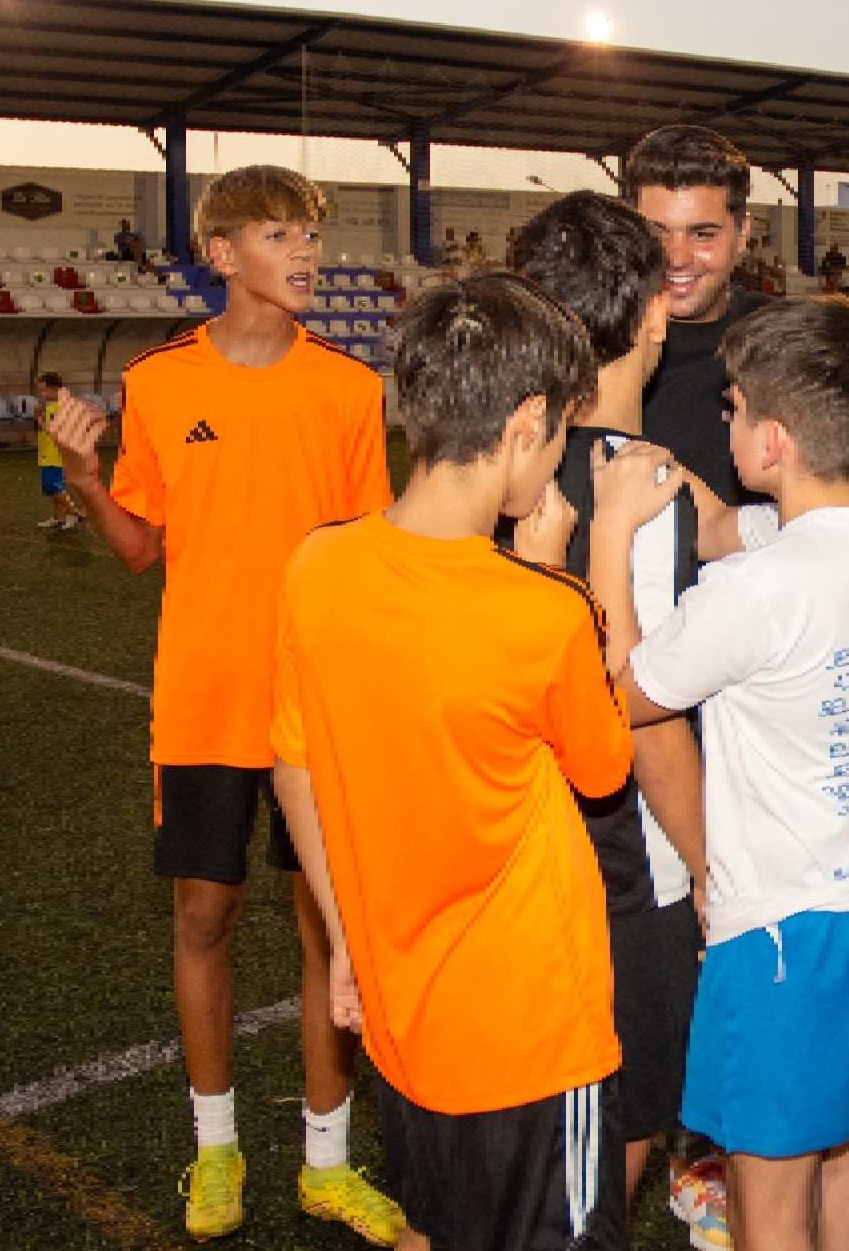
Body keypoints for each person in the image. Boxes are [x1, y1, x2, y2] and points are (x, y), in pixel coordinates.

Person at [45, 165, 404, 1246]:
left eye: (311, 237)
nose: (307, 254)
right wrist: (83, 476)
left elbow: (367, 559)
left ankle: (327, 1166)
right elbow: (139, 548)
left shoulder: (347, 390)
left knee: (322, 935)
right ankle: (216, 1150)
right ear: (222, 253)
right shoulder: (158, 383)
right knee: (204, 918)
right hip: (203, 703)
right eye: (281, 234)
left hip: (317, 709)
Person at [271, 275, 632, 1251]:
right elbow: (601, 770)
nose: (558, 454)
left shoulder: (315, 567)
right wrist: (565, 576)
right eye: (559, 433)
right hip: (536, 1031)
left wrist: (343, 936)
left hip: (404, 1019)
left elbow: (295, 769)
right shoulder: (541, 610)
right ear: (525, 424)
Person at [588, 294, 849, 1251]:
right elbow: (728, 526)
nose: (722, 418)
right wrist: (673, 485)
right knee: (846, 1158)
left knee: (767, 1194)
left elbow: (623, 694)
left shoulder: (757, 593)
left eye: (735, 408)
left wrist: (607, 536)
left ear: (775, 440)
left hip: (790, 928)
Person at [504, 192, 709, 1213]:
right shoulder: (638, 488)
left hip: (509, 850)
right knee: (615, 1138)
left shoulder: (499, 467)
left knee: (508, 1150)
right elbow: (644, 711)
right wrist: (714, 868)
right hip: (626, 865)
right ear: (656, 315)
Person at [627, 125, 774, 509]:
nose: (676, 257)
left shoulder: (784, 341)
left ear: (742, 234)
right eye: (656, 233)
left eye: (702, 234)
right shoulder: (590, 345)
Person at [34, 372, 83, 530]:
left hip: (56, 455)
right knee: (54, 488)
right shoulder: (53, 405)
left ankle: (74, 513)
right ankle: (58, 517)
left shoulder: (61, 406)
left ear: (55, 388)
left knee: (54, 487)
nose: (42, 394)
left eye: (44, 390)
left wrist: (39, 418)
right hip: (48, 452)